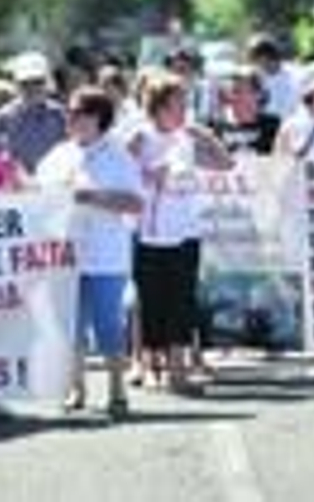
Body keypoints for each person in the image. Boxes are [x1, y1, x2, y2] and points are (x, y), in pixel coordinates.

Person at [36, 87, 144, 420]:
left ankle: (117, 389)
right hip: (65, 254)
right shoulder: (58, 155)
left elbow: (135, 203)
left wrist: (92, 197)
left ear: (99, 119)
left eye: (80, 113)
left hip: (105, 255)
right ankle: (76, 387)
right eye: (70, 112)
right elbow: (37, 195)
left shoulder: (118, 156)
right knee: (70, 325)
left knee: (108, 324)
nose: (72, 118)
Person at [129, 73, 234, 394]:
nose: (183, 109)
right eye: (177, 103)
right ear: (158, 107)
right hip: (150, 232)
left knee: (182, 301)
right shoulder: (141, 137)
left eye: (185, 103)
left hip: (187, 231)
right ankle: (149, 366)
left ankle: (177, 369)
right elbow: (120, 170)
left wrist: (206, 136)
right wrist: (148, 174)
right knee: (152, 300)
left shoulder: (187, 138)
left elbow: (225, 164)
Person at [0, 53, 67, 176]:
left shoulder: (60, 114)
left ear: (47, 83)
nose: (32, 87)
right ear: (17, 84)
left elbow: (72, 152)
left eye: (38, 81)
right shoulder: (3, 117)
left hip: (56, 183)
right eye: (25, 83)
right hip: (18, 187)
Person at [212, 65, 279, 156]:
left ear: (259, 95)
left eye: (249, 91)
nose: (239, 98)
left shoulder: (273, 126)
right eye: (235, 91)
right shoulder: (219, 128)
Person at [247, 34, 298, 121]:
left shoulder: (291, 74)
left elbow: (293, 104)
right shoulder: (256, 77)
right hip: (264, 123)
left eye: (257, 57)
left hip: (288, 122)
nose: (257, 63)